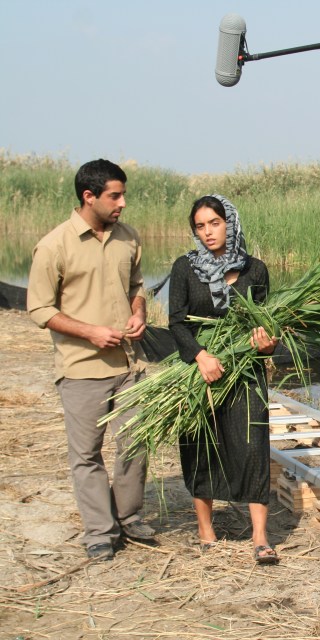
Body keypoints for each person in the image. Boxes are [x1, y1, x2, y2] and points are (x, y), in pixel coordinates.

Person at [27, 158, 156, 561]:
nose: (122, 204)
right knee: (86, 454)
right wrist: (90, 332)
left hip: (130, 365)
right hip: (82, 369)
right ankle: (100, 530)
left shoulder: (128, 238)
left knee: (136, 442)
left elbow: (137, 287)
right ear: (89, 196)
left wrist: (139, 313)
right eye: (115, 196)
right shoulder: (54, 245)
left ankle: (129, 515)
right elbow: (39, 309)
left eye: (123, 195)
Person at [167, 194, 280, 564]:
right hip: (200, 370)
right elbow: (177, 322)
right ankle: (205, 528)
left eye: (214, 223)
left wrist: (266, 343)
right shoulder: (184, 268)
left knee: (252, 446)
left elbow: (265, 322)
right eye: (200, 226)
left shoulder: (255, 270)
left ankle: (260, 536)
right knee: (200, 444)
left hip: (244, 371)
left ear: (229, 224)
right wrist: (200, 356)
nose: (207, 232)